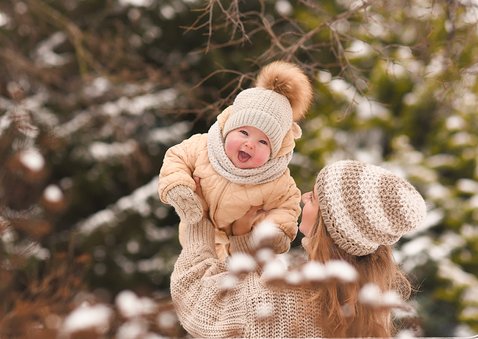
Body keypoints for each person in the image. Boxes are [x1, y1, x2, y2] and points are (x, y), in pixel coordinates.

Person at [170, 160, 427, 338]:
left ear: (328, 226)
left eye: (313, 197)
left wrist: (197, 216)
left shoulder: (286, 301)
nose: (304, 197)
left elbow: (192, 296)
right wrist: (244, 241)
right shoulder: (364, 310)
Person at [158, 61, 313, 258]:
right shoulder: (203, 147)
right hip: (194, 241)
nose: (250, 144)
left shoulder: (276, 181)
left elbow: (287, 207)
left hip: (240, 252)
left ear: (274, 152)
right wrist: (180, 189)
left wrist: (273, 232)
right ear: (228, 128)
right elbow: (176, 158)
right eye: (244, 132)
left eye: (263, 142)